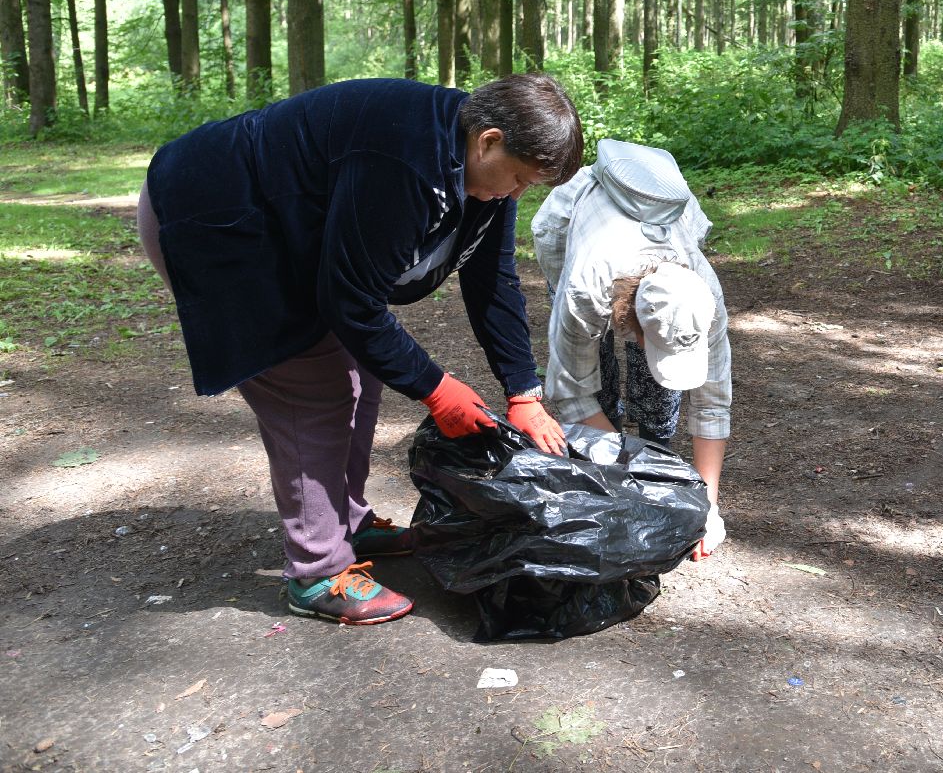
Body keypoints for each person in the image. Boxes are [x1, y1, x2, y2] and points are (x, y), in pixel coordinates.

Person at [137, 74, 583, 625]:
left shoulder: (477, 165)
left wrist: (523, 390)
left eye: (528, 187)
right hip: (215, 216)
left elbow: (492, 278)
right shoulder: (404, 158)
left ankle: (345, 520)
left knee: (361, 371)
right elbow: (351, 301)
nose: (515, 195)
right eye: (517, 179)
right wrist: (437, 390)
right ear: (489, 139)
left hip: (289, 226)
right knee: (311, 388)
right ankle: (317, 569)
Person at [531, 139, 732, 560]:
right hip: (570, 227)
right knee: (593, 374)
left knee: (659, 392)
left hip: (665, 220)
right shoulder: (584, 292)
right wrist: (632, 477)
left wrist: (707, 506)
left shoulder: (703, 299)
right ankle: (606, 464)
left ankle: (658, 451)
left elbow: (713, 403)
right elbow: (571, 391)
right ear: (631, 324)